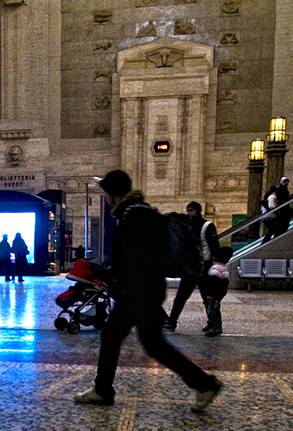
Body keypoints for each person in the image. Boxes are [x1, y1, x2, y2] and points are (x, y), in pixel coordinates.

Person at [73, 170, 223, 412]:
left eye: (108, 194)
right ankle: (205, 384)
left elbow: (133, 260)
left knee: (114, 337)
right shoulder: (144, 213)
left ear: (115, 195)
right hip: (147, 292)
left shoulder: (133, 219)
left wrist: (116, 281)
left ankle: (103, 391)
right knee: (153, 344)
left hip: (136, 294)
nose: (107, 199)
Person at [163, 201, 217, 331]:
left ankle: (213, 323)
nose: (188, 213)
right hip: (190, 267)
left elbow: (215, 247)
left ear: (197, 211)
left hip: (204, 267)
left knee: (207, 298)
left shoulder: (207, 226)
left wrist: (215, 266)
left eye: (191, 210)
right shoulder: (186, 226)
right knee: (181, 296)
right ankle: (172, 321)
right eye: (187, 210)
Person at [202, 245, 232, 337]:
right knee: (216, 310)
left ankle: (213, 327)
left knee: (211, 311)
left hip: (213, 295)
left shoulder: (215, 269)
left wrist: (210, 294)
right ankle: (218, 326)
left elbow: (213, 284)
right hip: (219, 294)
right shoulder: (224, 268)